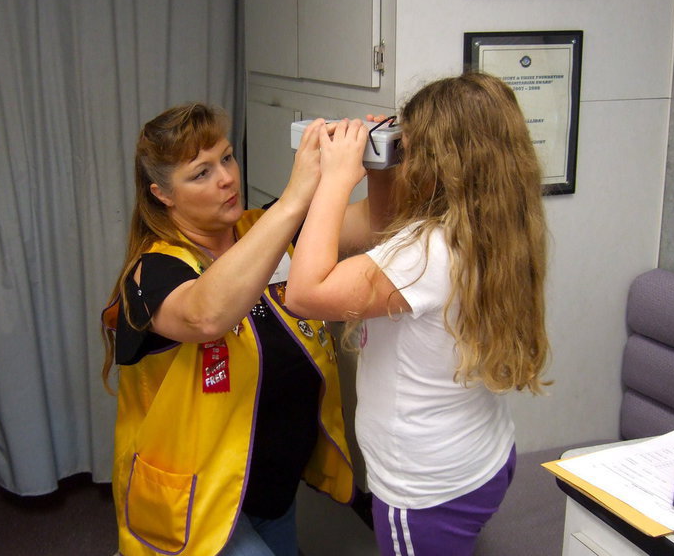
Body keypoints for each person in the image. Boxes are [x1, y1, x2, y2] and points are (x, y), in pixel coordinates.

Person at [285, 72, 550, 556]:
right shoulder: (490, 229)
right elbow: (389, 241)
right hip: (482, 454)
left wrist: (337, 178)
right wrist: (383, 174)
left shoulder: (427, 254)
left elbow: (304, 292)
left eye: (409, 149)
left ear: (437, 162)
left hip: (425, 492)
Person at [101, 103, 355, 556]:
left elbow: (374, 224)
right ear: (163, 194)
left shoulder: (263, 228)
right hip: (200, 502)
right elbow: (207, 315)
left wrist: (382, 158)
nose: (226, 178)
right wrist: (298, 196)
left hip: (268, 490)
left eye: (227, 158)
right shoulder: (151, 274)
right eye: (200, 173)